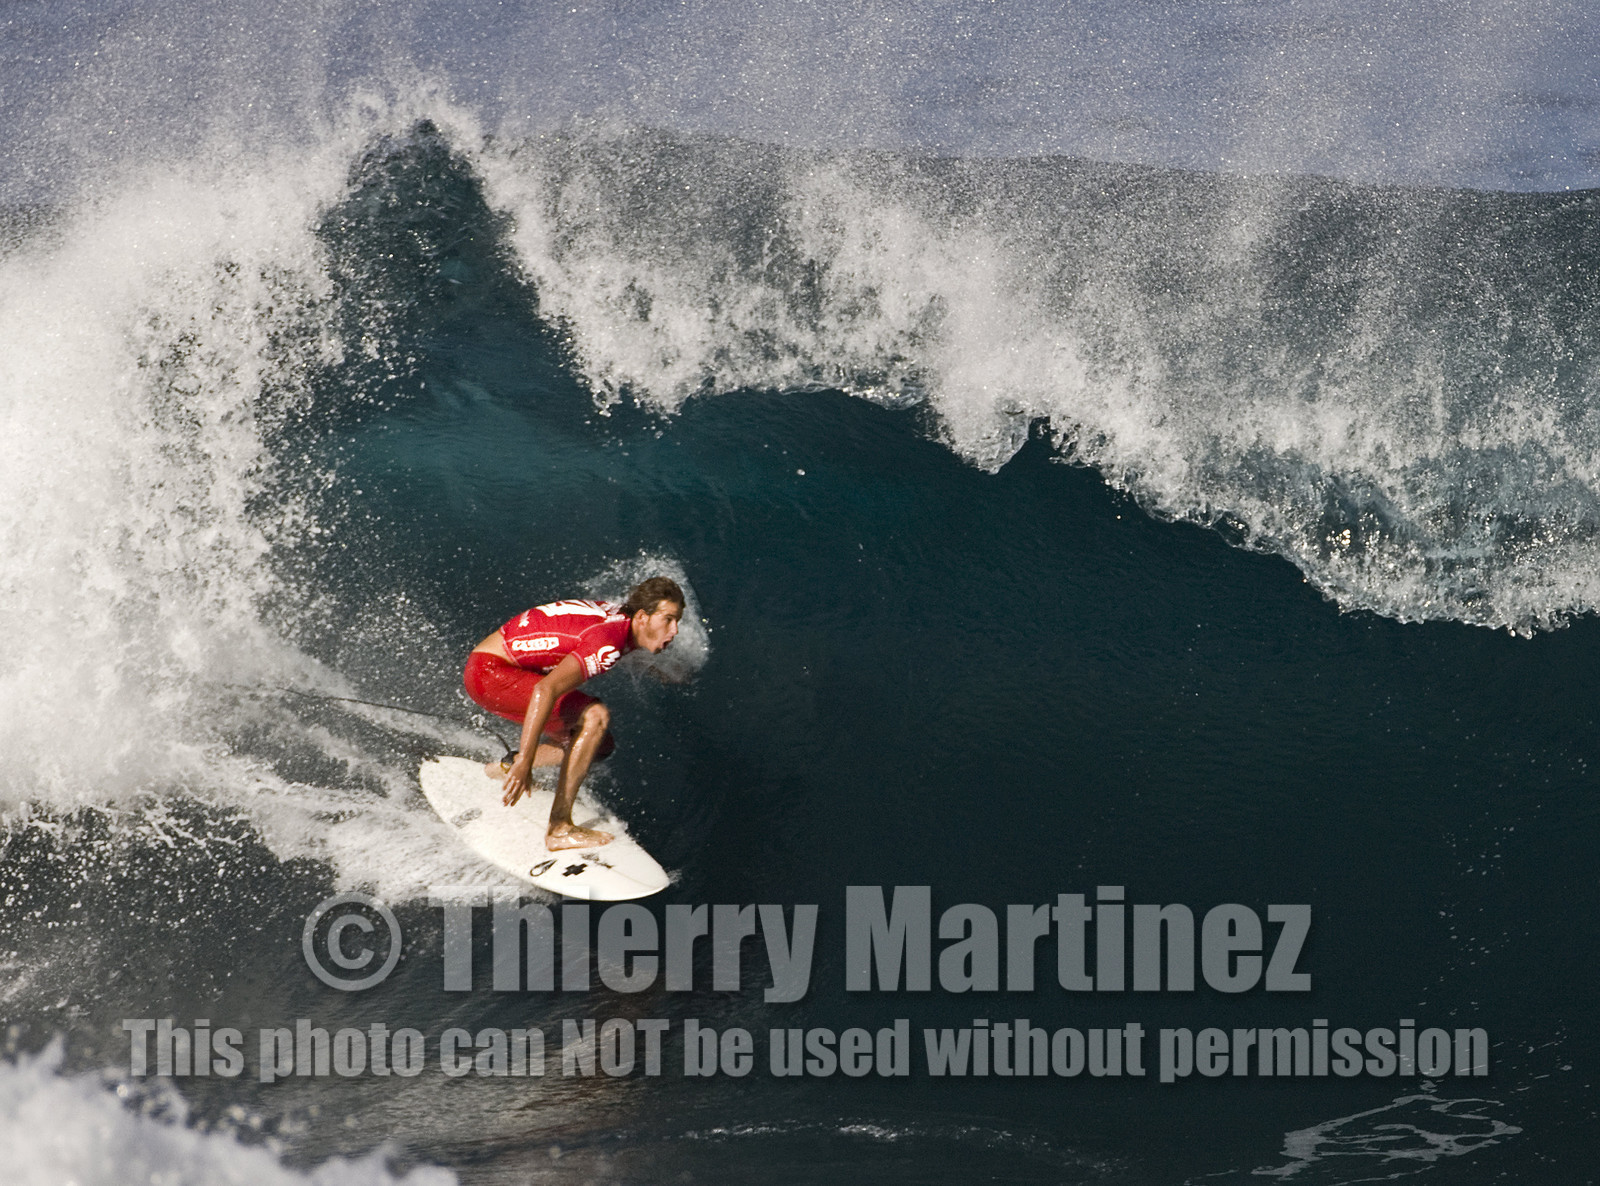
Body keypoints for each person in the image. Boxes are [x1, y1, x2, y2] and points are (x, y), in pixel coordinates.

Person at [462, 576, 684, 851]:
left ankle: (502, 768)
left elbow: (595, 643)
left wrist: (659, 672)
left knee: (600, 746)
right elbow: (546, 689)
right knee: (595, 716)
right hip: (491, 674)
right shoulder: (608, 643)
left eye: (678, 621)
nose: (674, 630)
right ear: (642, 616)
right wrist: (527, 759)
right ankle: (559, 828)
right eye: (669, 620)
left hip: (490, 668)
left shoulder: (619, 620)